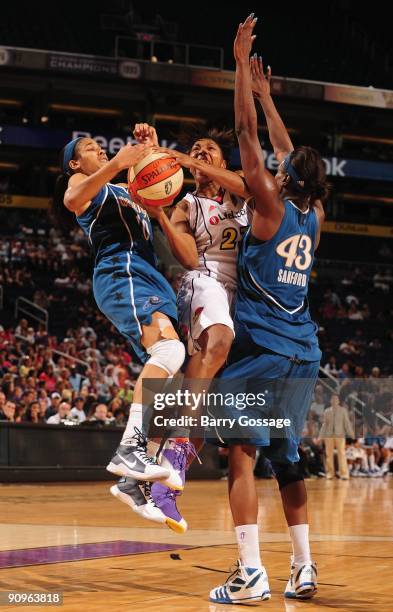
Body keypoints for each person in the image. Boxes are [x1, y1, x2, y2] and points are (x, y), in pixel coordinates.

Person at [209, 15, 329, 604]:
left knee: (239, 452)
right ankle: (304, 567)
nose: (274, 164)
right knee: (287, 459)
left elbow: (245, 133)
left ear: (283, 178)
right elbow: (286, 150)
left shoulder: (266, 204)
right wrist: (269, 95)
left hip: (267, 354)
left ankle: (251, 572)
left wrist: (240, 74)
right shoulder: (313, 213)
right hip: (305, 353)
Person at [54, 134, 186, 531]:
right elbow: (72, 201)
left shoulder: (126, 187)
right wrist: (115, 165)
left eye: (100, 146)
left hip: (150, 277)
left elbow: (157, 180)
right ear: (75, 164)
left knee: (168, 371)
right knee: (169, 353)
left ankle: (132, 481)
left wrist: (151, 146)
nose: (100, 150)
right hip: (121, 272)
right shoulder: (82, 184)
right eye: (90, 148)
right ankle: (129, 450)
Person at [130, 122, 252, 528]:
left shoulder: (238, 192)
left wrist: (183, 156)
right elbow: (186, 257)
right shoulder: (188, 203)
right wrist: (162, 213)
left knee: (208, 396)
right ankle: (174, 444)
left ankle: (164, 487)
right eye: (194, 150)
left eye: (208, 150)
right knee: (218, 340)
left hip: (243, 295)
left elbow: (246, 183)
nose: (200, 153)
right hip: (205, 281)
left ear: (222, 161)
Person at [319, 394, 354, 479]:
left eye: (336, 399)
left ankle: (344, 474)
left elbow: (347, 423)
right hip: (329, 435)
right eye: (333, 399)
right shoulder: (327, 411)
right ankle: (330, 473)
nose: (334, 400)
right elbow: (324, 425)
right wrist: (320, 436)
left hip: (340, 435)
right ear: (331, 401)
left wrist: (351, 433)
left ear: (338, 401)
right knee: (329, 454)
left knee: (341, 453)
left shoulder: (343, 411)